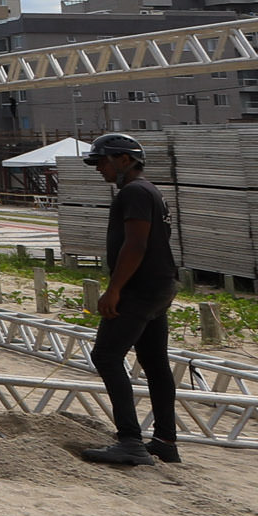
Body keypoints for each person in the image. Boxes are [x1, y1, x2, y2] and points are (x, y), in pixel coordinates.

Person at [80, 131, 182, 466]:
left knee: (107, 356)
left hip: (139, 289)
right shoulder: (149, 190)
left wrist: (115, 289)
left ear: (124, 160)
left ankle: (130, 441)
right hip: (159, 286)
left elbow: (135, 245)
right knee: (155, 363)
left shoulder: (134, 192)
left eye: (102, 162)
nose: (99, 169)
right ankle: (165, 440)